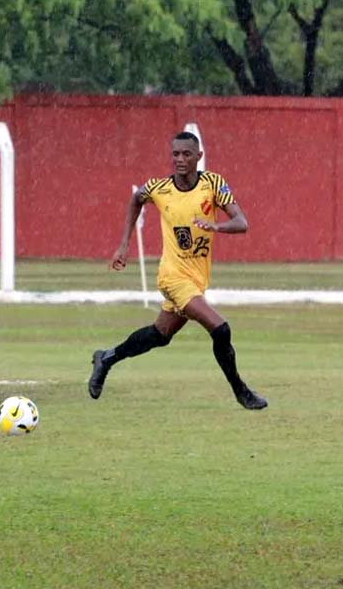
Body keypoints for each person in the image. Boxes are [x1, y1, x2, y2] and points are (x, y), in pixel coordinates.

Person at [88, 131, 267, 410]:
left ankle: (106, 358)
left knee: (160, 335)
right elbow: (136, 199)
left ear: (199, 156)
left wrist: (216, 227)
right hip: (172, 277)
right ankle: (241, 391)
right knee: (220, 329)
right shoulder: (159, 189)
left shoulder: (213, 184)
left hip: (196, 279)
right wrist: (124, 244)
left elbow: (242, 222)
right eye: (175, 154)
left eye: (186, 154)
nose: (180, 159)